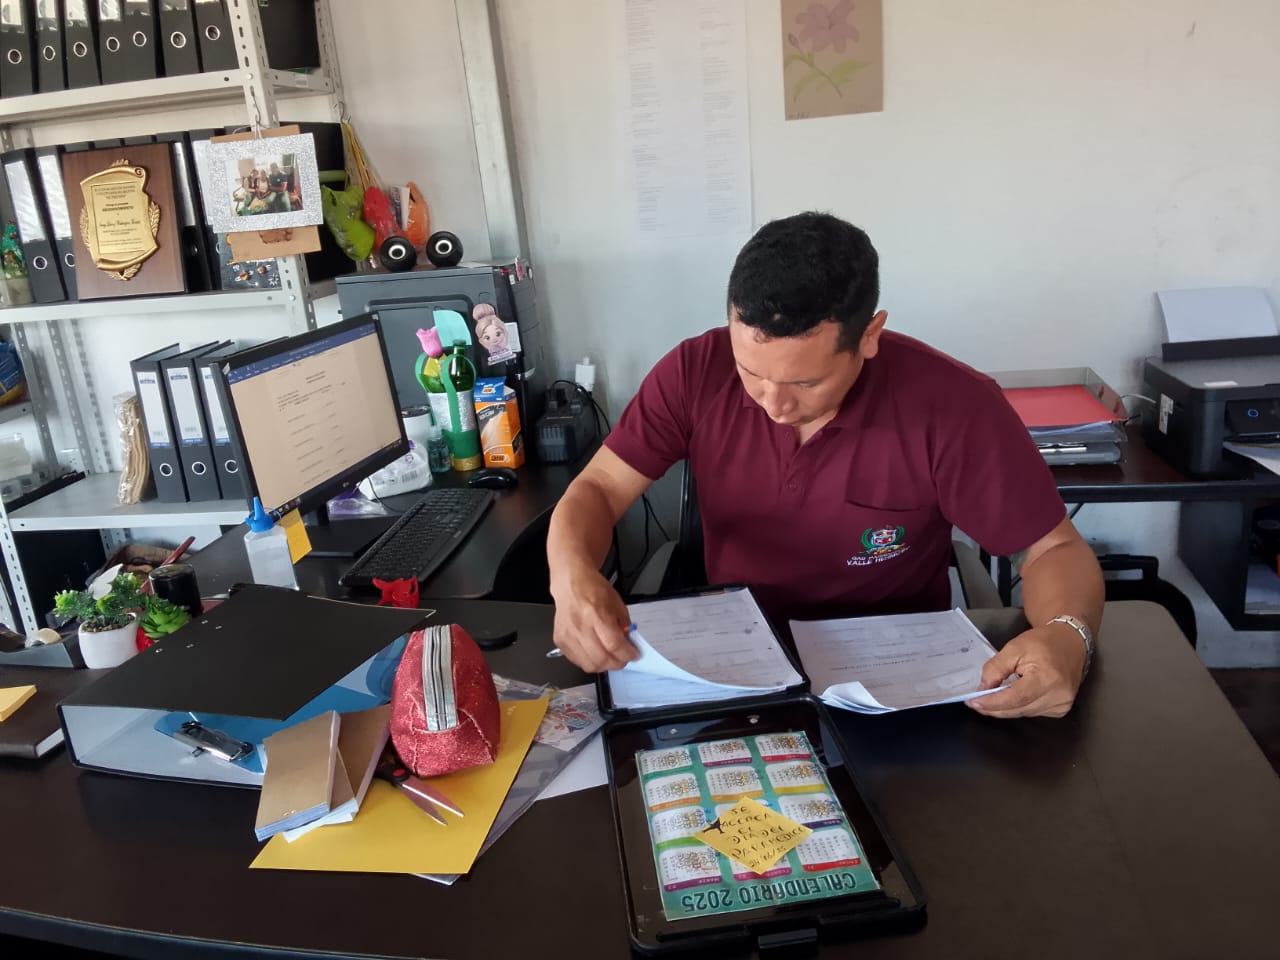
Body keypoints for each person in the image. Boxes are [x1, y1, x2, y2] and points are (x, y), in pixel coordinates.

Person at [546, 212, 1104, 719]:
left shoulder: (953, 406)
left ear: (869, 336)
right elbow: (599, 487)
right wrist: (570, 574)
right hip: (737, 665)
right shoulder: (694, 370)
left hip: (892, 681)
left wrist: (1067, 635)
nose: (773, 403)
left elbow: (1052, 548)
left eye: (805, 382)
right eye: (751, 372)